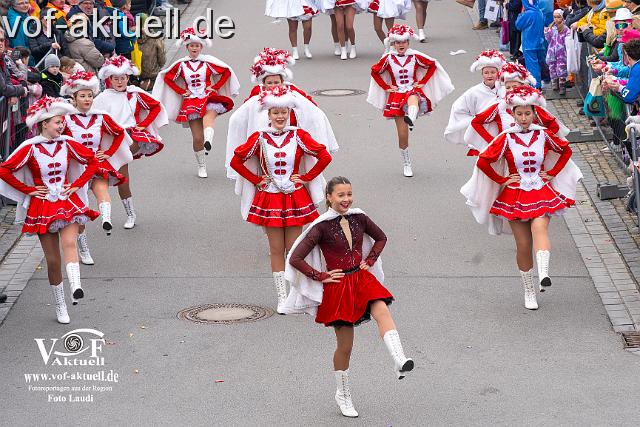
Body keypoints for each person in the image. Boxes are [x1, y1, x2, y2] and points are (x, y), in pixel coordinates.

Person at [284, 176, 414, 418]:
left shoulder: (360, 217)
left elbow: (381, 237)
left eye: (349, 194)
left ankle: (399, 359)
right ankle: (342, 394)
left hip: (362, 278)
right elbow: (295, 258)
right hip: (339, 286)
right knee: (345, 347)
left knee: (382, 310)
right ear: (329, 197)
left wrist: (371, 259)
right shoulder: (321, 226)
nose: (346, 199)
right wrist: (320, 275)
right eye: (341, 195)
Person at [461, 86, 582, 309]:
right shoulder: (505, 138)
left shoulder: (543, 134)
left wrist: (552, 173)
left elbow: (565, 150)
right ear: (512, 114)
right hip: (514, 194)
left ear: (535, 113)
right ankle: (529, 290)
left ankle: (544, 273)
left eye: (528, 113)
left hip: (541, 190)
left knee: (540, 227)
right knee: (523, 245)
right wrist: (501, 179)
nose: (524, 118)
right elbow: (483, 161)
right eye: (520, 114)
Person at [229, 86, 332, 314]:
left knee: (293, 249)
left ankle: (298, 295)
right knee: (276, 249)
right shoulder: (259, 138)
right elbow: (236, 161)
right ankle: (281, 297)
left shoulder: (299, 135)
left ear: (289, 113)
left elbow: (324, 156)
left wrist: (305, 177)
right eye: (275, 112)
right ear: (268, 115)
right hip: (269, 198)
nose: (280, 117)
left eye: (284, 112)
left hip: (295, 197)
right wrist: (255, 179)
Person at [0, 96, 100, 323]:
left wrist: (76, 185)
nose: (62, 125)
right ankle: (60, 305)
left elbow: (92, 161)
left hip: (66, 202)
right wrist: (28, 190)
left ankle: (76, 286)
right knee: (53, 260)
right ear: (44, 123)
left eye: (62, 121)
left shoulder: (67, 143)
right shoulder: (30, 148)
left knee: (69, 243)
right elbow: (5, 170)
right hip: (42, 207)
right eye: (57, 122)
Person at [61, 71, 133, 264]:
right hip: (75, 169)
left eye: (90, 95)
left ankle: (106, 219)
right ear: (74, 98)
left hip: (96, 163)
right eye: (82, 96)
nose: (87, 99)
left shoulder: (101, 116)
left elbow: (119, 134)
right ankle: (83, 249)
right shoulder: (66, 119)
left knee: (102, 190)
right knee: (82, 209)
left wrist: (109, 152)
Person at [367, 24, 454, 177]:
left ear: (408, 42)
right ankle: (407, 163)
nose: (402, 45)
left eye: (405, 42)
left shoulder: (415, 56)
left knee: (413, 98)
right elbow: (375, 72)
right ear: (393, 43)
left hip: (412, 90)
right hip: (396, 95)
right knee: (402, 135)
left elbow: (432, 65)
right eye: (398, 42)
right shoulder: (388, 59)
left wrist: (423, 82)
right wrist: (386, 87)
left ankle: (411, 117)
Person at [93, 55, 168, 229]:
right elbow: (91, 116)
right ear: (109, 79)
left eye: (123, 78)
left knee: (122, 171)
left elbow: (156, 106)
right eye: (115, 78)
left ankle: (129, 214)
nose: (119, 82)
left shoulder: (134, 93)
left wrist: (143, 124)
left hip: (131, 136)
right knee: (119, 177)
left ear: (128, 77)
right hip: (112, 138)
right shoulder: (102, 98)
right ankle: (125, 212)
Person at [153, 27, 239, 178]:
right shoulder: (181, 65)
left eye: (197, 45)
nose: (194, 48)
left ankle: (209, 142)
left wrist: (215, 87)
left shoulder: (208, 62)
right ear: (187, 47)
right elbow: (167, 78)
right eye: (191, 45)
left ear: (201, 47)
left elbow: (226, 72)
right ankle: (202, 165)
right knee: (197, 137)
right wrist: (181, 92)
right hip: (191, 101)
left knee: (209, 117)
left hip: (208, 96)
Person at [465, 62, 569, 155]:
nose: (510, 90)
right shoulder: (499, 107)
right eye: (507, 87)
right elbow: (476, 122)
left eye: (514, 86)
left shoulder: (533, 107)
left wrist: (543, 144)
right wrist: (493, 142)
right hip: (508, 158)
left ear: (523, 86)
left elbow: (553, 125)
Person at [444, 50, 506, 151]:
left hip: (502, 129)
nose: (489, 75)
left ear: (498, 73)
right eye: (486, 72)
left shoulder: (504, 89)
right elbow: (458, 107)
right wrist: (473, 120)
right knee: (485, 157)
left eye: (493, 72)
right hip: (483, 130)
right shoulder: (474, 91)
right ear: (482, 74)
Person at [516, 0, 546, 89]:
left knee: (532, 67)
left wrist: (520, 15)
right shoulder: (539, 11)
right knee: (539, 64)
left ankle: (535, 86)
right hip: (540, 43)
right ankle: (541, 82)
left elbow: (518, 25)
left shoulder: (527, 13)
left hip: (529, 44)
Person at [136, 13, 166, 91]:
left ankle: (142, 83)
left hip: (137, 75)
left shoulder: (131, 39)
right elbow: (162, 61)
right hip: (153, 75)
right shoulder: (155, 39)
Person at [545, 9, 571, 95]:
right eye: (555, 17)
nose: (556, 19)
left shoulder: (565, 29)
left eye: (558, 17)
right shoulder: (551, 28)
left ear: (562, 18)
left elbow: (568, 40)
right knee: (552, 67)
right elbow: (548, 40)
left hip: (561, 53)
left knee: (561, 68)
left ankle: (562, 85)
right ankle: (554, 82)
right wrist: (547, 33)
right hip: (552, 51)